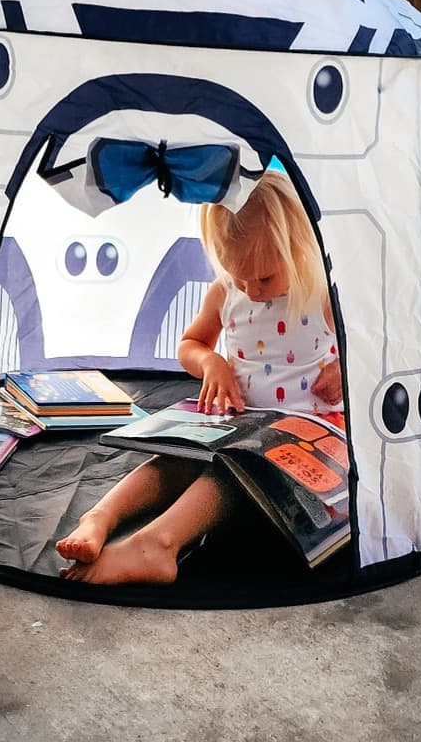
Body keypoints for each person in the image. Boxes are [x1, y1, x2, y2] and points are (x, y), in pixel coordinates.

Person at [56, 168, 344, 586]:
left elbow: (374, 348)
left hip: (305, 440)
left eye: (264, 277)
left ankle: (159, 544)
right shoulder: (228, 292)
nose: (252, 288)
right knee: (175, 460)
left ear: (298, 248)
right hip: (241, 422)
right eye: (238, 274)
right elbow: (191, 344)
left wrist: (344, 369)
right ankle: (101, 516)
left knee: (230, 472)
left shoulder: (319, 293)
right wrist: (213, 363)